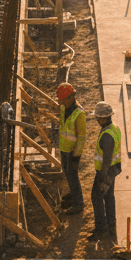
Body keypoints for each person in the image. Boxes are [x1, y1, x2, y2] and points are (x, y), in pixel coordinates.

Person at [90, 100, 121, 243]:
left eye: (98, 117)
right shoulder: (114, 129)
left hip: (106, 172)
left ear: (104, 117)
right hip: (113, 169)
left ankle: (101, 228)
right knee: (109, 198)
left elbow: (106, 160)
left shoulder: (107, 136)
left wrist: (102, 178)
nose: (97, 120)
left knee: (97, 198)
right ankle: (111, 225)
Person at [57, 83, 86, 214]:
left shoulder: (79, 113)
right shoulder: (64, 107)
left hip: (72, 152)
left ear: (70, 98)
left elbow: (81, 137)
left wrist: (76, 156)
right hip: (64, 148)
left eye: (62, 100)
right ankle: (73, 196)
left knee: (73, 176)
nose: (60, 103)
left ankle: (78, 203)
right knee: (67, 174)